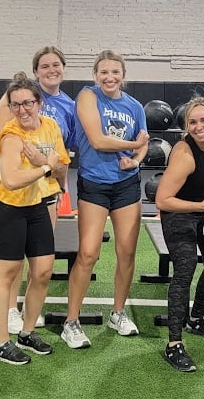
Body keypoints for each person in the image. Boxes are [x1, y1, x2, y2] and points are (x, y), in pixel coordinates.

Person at [0, 46, 78, 333]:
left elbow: (62, 156)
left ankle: (27, 317)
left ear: (63, 68)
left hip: (45, 189)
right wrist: (39, 160)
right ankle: (10, 309)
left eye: (56, 65)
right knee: (12, 257)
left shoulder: (67, 107)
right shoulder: (20, 97)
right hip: (13, 185)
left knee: (39, 258)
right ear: (36, 71)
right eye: (45, 66)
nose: (51, 70)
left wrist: (58, 182)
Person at [61, 50, 148, 349]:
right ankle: (71, 322)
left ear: (123, 75)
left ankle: (118, 313)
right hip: (95, 183)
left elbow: (144, 143)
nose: (109, 77)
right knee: (88, 253)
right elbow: (98, 140)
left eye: (115, 72)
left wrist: (136, 159)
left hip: (126, 186)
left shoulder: (135, 106)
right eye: (104, 72)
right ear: (95, 75)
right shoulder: (88, 96)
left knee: (127, 252)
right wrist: (133, 144)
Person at [154, 98, 204, 372]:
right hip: (178, 211)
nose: (199, 127)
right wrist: (203, 206)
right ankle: (173, 344)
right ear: (186, 127)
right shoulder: (184, 155)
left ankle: (196, 318)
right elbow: (163, 201)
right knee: (185, 268)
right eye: (192, 122)